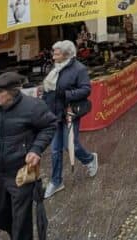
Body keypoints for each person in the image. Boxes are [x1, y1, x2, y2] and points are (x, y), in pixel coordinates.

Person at [0, 72, 57, 240]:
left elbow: (50, 125)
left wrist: (35, 149)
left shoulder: (33, 107)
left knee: (21, 219)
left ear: (13, 92)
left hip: (21, 171)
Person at [42, 40, 98, 199]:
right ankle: (56, 181)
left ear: (66, 54)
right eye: (54, 53)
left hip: (69, 113)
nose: (53, 56)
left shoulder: (78, 69)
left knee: (70, 145)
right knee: (55, 149)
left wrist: (66, 95)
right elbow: (50, 90)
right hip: (54, 114)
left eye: (56, 53)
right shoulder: (56, 68)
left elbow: (86, 89)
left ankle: (90, 159)